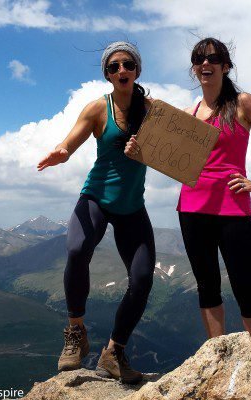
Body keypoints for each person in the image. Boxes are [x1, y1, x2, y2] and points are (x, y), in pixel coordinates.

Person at [126, 37, 251, 386]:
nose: (205, 64)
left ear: (225, 66)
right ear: (194, 67)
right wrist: (138, 150)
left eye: (213, 58)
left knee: (247, 288)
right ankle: (218, 361)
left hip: (233, 208)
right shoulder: (190, 114)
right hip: (192, 208)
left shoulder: (242, 103)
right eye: (198, 59)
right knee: (207, 286)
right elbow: (166, 159)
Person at [37, 41, 155, 384]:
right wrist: (61, 151)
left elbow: (172, 154)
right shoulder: (96, 109)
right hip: (96, 198)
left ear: (137, 70)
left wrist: (145, 149)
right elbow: (70, 142)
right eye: (114, 66)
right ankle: (76, 332)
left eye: (128, 64)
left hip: (132, 206)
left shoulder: (153, 111)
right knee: (76, 249)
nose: (122, 70)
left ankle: (113, 352)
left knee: (143, 279)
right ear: (107, 74)